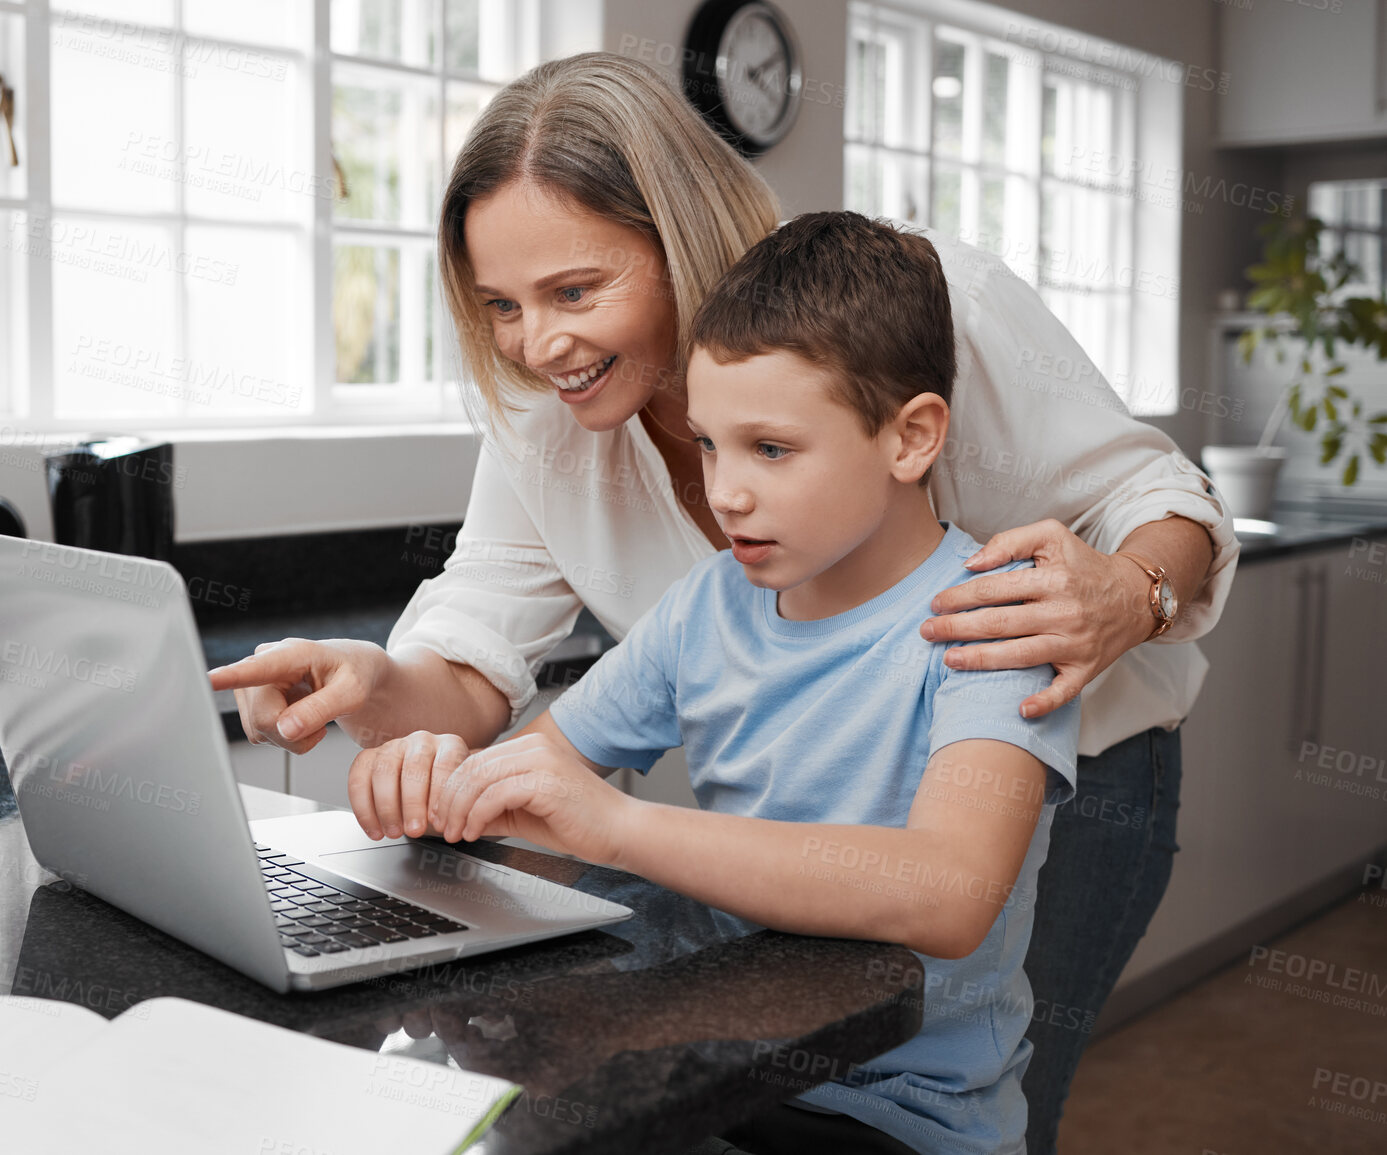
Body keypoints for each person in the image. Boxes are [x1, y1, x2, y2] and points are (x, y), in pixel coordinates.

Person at [212, 53, 1238, 1151]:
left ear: (679, 238)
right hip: (802, 888)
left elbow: (1150, 498)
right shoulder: (631, 507)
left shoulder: (927, 339)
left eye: (575, 290)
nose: (536, 344)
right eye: (501, 305)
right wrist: (390, 709)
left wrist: (1128, 593)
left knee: (979, 1089)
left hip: (1073, 764)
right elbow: (482, 665)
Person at [373, 209, 1080, 1154]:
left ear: (909, 438)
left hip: (893, 1114)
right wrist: (431, 780)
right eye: (710, 445)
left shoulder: (995, 616)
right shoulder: (708, 605)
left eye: (771, 449)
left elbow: (947, 894)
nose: (727, 492)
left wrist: (618, 826)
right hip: (716, 1063)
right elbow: (532, 780)